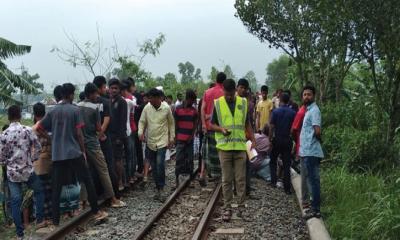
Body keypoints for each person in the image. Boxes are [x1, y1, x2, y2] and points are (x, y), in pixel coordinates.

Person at [36, 83, 108, 227]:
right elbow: (79, 134)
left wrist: (52, 139)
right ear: (70, 95)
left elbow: (39, 127)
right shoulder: (75, 110)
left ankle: (56, 221)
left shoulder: (53, 111)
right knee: (87, 181)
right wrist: (83, 151)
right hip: (74, 152)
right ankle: (96, 212)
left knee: (56, 188)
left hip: (58, 155)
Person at [210, 79, 256, 222]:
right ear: (223, 90)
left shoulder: (243, 102)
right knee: (227, 179)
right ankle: (227, 208)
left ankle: (241, 207)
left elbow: (247, 122)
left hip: (240, 148)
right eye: (227, 94)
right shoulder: (218, 104)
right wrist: (221, 129)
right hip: (224, 148)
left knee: (241, 179)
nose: (229, 96)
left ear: (235, 90)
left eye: (231, 94)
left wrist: (253, 139)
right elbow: (212, 124)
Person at [78, 83, 126, 208]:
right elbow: (99, 128)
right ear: (90, 94)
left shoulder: (77, 107)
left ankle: (83, 201)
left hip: (81, 144)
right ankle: (113, 198)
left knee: (85, 170)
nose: (97, 96)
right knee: (104, 170)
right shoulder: (94, 108)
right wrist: (102, 135)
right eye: (95, 93)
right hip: (93, 143)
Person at [0, 105, 45, 239]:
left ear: (8, 117)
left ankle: (20, 234)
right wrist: (33, 158)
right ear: (20, 115)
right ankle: (40, 219)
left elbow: (1, 158)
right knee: (39, 191)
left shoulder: (4, 134)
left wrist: (8, 163)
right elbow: (38, 146)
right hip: (28, 170)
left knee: (15, 201)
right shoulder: (27, 130)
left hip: (13, 174)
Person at [138, 88, 175, 201]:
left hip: (162, 141)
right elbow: (142, 122)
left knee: (160, 164)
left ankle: (161, 188)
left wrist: (171, 137)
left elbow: (171, 123)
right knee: (154, 167)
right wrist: (140, 132)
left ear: (159, 98)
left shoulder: (166, 108)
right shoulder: (147, 108)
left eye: (153, 99)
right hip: (151, 142)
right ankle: (158, 187)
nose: (151, 101)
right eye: (150, 99)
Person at [93, 76, 121, 199]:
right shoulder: (106, 102)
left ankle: (98, 193)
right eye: (105, 87)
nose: (106, 89)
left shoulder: (87, 102)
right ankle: (114, 193)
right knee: (109, 165)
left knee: (94, 166)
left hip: (92, 139)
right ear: (100, 87)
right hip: (104, 138)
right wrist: (100, 134)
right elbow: (107, 120)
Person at [299, 85, 324, 219]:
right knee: (311, 180)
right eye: (304, 95)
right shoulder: (308, 110)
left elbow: (317, 130)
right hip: (306, 151)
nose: (306, 97)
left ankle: (315, 209)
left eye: (309, 94)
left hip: (311, 151)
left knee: (313, 181)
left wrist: (316, 142)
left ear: (313, 96)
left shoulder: (314, 110)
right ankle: (314, 208)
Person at [201, 72, 226, 183]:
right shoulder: (225, 93)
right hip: (220, 129)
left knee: (206, 153)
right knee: (220, 153)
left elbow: (202, 109)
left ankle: (202, 174)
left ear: (216, 80)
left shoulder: (207, 92)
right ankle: (220, 174)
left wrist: (203, 123)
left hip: (208, 127)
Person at [269, 92, 296, 194]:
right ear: (288, 101)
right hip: (287, 140)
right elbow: (293, 129)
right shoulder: (293, 113)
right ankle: (287, 188)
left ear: (280, 100)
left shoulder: (276, 112)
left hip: (277, 139)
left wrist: (270, 139)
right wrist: (293, 140)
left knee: (273, 160)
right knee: (286, 164)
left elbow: (271, 127)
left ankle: (273, 181)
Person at [32, 102, 53, 223]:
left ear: (34, 114)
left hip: (38, 163)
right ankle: (50, 215)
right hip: (49, 161)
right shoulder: (49, 125)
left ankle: (41, 218)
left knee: (40, 191)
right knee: (50, 190)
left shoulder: (33, 129)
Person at [174, 89, 198, 187]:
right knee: (179, 159)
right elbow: (175, 124)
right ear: (188, 99)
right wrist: (175, 137)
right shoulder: (178, 109)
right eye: (192, 100)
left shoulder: (194, 111)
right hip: (180, 138)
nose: (193, 103)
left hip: (189, 139)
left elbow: (195, 125)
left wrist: (191, 136)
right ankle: (177, 179)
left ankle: (190, 179)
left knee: (190, 159)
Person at [108, 78, 128, 191]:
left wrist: (120, 137)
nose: (114, 90)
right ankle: (113, 182)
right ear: (109, 88)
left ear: (119, 89)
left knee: (118, 159)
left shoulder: (122, 102)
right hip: (108, 135)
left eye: (116, 88)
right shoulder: (108, 101)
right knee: (111, 159)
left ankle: (120, 181)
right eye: (112, 88)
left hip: (118, 136)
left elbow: (123, 120)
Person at [236, 78, 253, 195]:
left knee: (247, 163)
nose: (242, 90)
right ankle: (237, 188)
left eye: (244, 88)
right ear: (237, 87)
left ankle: (246, 188)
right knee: (236, 165)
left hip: (245, 138)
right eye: (241, 87)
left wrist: (253, 137)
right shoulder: (233, 100)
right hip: (234, 139)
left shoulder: (247, 102)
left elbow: (249, 121)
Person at [121, 79, 137, 185]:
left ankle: (130, 176)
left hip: (129, 129)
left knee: (129, 154)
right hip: (130, 128)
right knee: (129, 154)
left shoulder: (130, 100)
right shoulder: (131, 99)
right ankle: (129, 177)